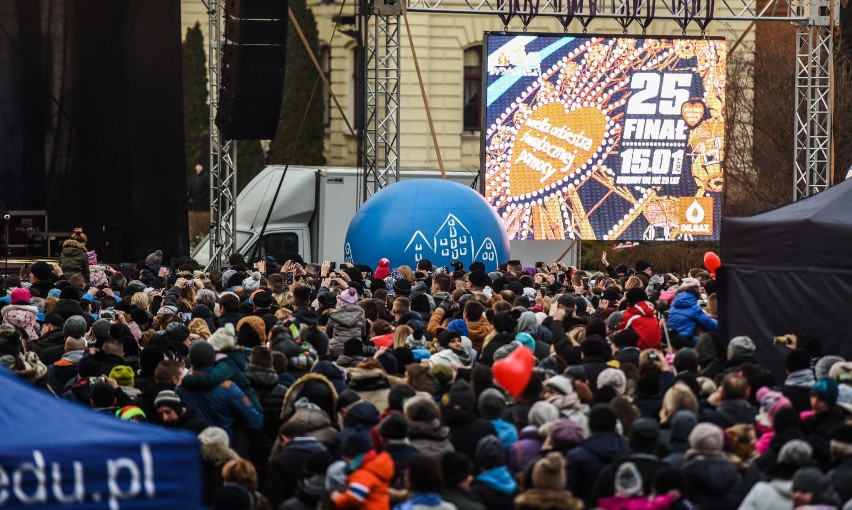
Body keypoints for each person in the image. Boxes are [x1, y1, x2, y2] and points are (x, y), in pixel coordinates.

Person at [188, 163, 210, 245]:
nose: (198, 167)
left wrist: (201, 197)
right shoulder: (194, 177)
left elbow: (208, 188)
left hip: (202, 202)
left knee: (201, 216)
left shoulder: (205, 176)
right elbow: (191, 187)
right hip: (194, 202)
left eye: (200, 166)